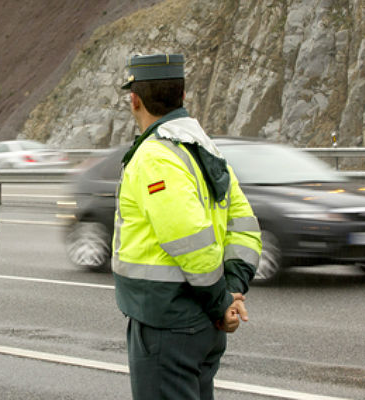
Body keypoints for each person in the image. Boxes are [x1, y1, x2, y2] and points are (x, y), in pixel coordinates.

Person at [112, 53, 262, 400]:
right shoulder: (204, 148)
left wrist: (222, 302)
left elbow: (189, 240)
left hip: (169, 322)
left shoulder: (154, 156)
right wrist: (233, 288)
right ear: (182, 96)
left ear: (134, 100)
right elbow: (245, 227)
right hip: (202, 324)